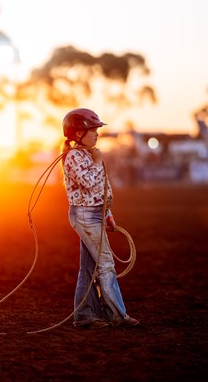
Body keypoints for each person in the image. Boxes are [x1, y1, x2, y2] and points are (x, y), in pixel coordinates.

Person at [61, 108, 139, 329]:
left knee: (90, 266)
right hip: (85, 215)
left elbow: (101, 190)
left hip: (94, 213)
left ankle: (86, 314)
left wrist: (108, 215)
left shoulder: (88, 154)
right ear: (77, 134)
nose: (97, 133)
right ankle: (116, 314)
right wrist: (96, 161)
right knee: (105, 264)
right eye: (92, 130)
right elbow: (88, 182)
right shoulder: (74, 156)